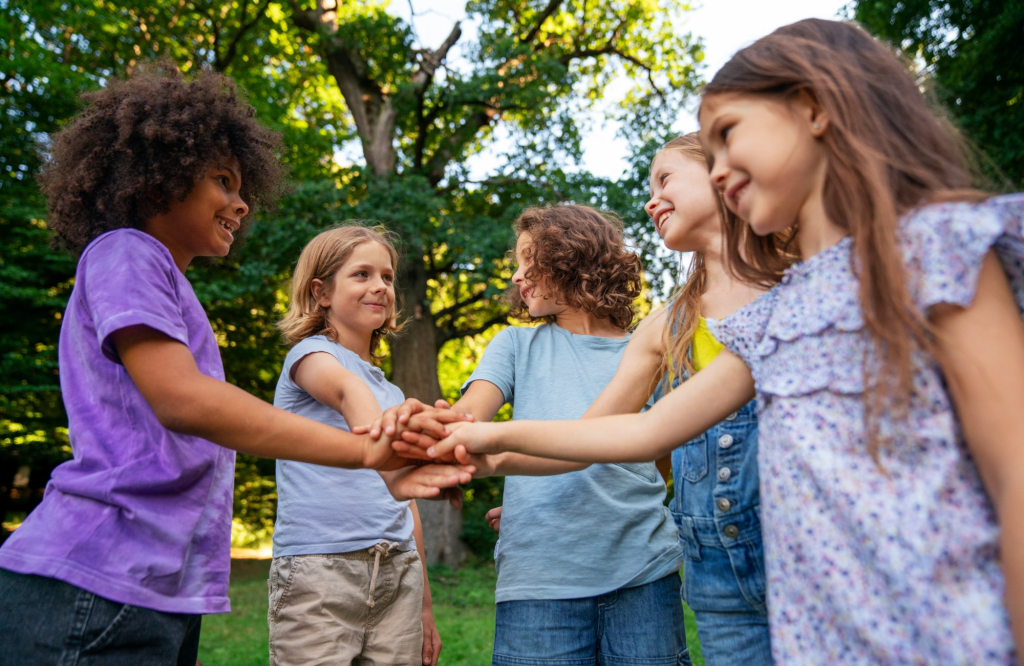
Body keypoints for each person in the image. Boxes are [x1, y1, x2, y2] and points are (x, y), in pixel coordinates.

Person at [421, 19, 1024, 664]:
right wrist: (482, 441)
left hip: (956, 625)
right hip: (818, 630)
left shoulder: (934, 249)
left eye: (728, 136)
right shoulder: (775, 322)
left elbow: (1013, 464)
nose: (721, 169)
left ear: (814, 110)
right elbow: (640, 434)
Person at [0, 65, 469, 666]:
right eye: (223, 181)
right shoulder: (126, 251)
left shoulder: (172, 288)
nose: (242, 203)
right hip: (95, 577)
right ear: (158, 177)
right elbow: (184, 400)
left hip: (157, 586)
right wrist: (368, 449)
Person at [404, 204, 690, 665]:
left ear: (569, 257)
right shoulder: (514, 344)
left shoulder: (652, 348)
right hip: (538, 580)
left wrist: (576, 488)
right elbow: (470, 417)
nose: (517, 276)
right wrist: (437, 425)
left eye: (527, 260)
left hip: (643, 574)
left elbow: (655, 455)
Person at [268, 225, 442, 666]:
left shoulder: (393, 393)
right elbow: (347, 390)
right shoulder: (310, 357)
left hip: (398, 572)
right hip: (321, 570)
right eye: (361, 274)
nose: (380, 287)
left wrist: (424, 604)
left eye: (386, 277)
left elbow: (408, 502)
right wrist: (381, 446)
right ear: (320, 291)